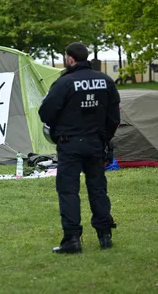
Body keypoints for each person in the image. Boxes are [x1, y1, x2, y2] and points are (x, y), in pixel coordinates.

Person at [39, 42, 120, 254]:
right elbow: (114, 117)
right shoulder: (106, 81)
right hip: (96, 143)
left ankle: (72, 239)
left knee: (68, 191)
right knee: (98, 189)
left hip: (69, 144)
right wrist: (104, 139)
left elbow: (45, 113)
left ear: (70, 59)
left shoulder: (64, 82)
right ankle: (105, 235)